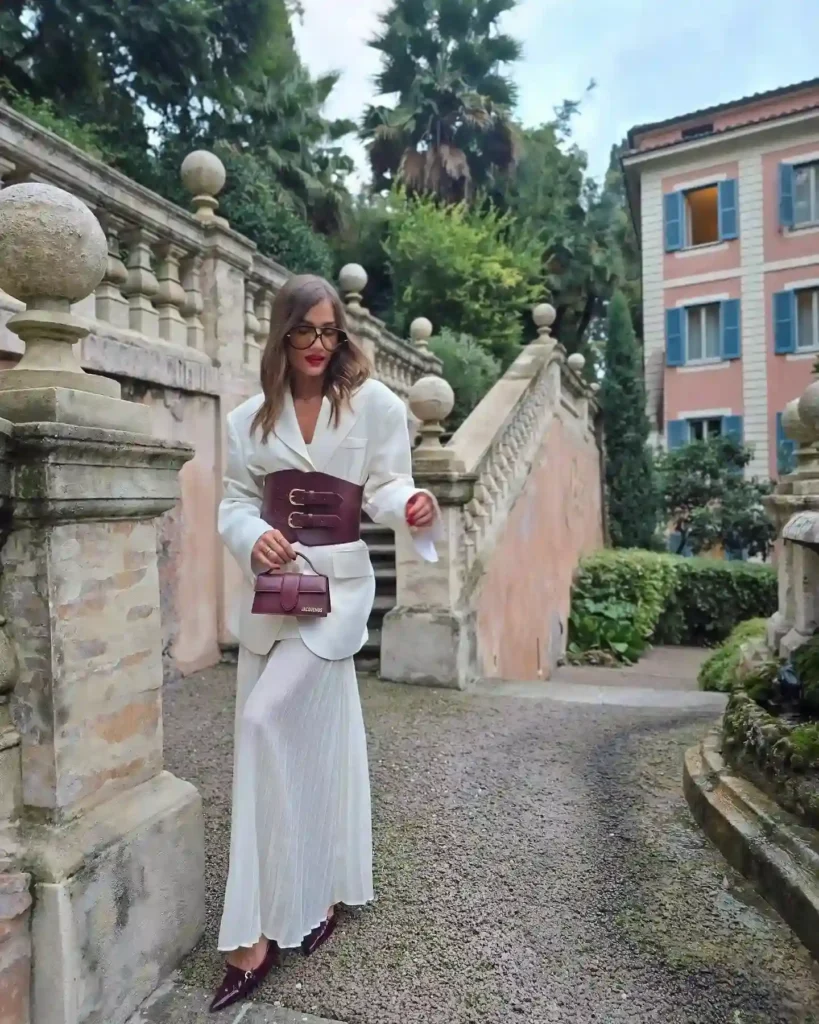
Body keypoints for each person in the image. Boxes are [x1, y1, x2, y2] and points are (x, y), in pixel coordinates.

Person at [210, 274, 440, 1013]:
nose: (316, 345)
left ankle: (253, 933)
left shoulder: (373, 405)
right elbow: (234, 503)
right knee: (310, 738)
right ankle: (320, 890)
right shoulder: (248, 418)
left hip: (336, 593)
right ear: (281, 334)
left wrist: (409, 504)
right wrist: (253, 537)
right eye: (303, 331)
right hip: (273, 595)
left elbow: (384, 484)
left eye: (328, 332)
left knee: (261, 721)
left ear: (342, 336)